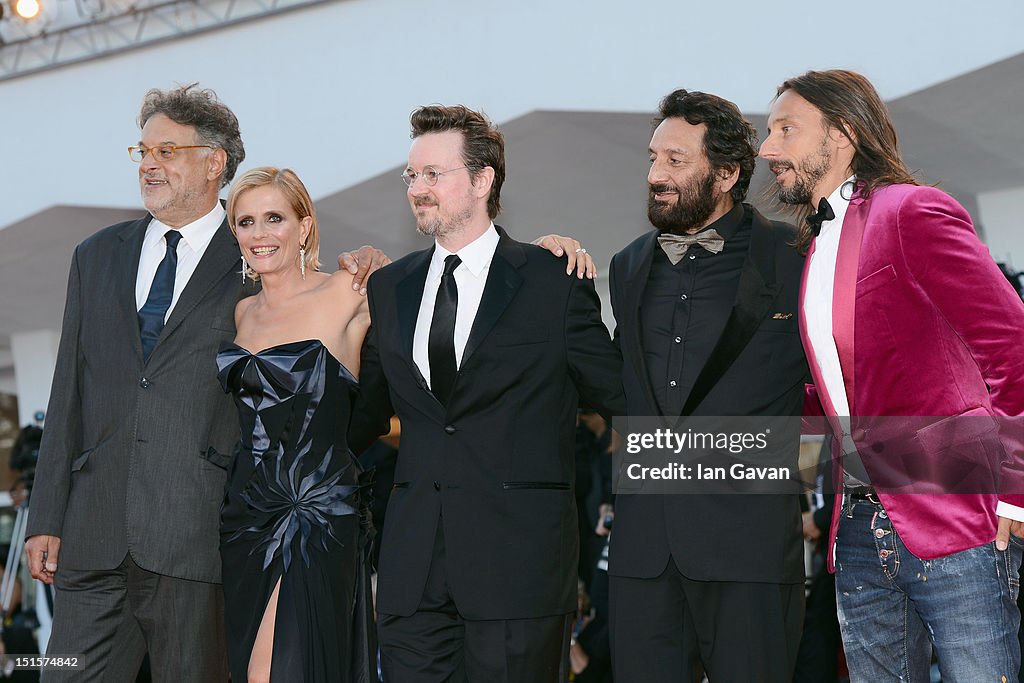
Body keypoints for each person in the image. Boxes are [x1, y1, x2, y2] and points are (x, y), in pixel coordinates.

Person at [22, 84, 386, 682]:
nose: (149, 165)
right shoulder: (95, 255)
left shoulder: (254, 257)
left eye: (167, 151)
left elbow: (340, 365)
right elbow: (68, 394)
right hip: (92, 533)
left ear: (214, 161)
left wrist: (374, 260)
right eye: (142, 152)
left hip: (199, 537)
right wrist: (46, 515)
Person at [760, 68, 1024, 682]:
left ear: (844, 133)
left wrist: (1015, 489)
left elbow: (1011, 348)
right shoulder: (814, 247)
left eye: (786, 130)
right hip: (855, 524)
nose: (768, 149)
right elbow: (836, 391)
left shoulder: (911, 211)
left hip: (956, 507)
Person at [348, 104, 626, 682]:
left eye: (433, 174)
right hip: (414, 573)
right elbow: (361, 417)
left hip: (518, 573)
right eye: (411, 176)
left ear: (482, 180)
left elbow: (623, 394)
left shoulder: (551, 280)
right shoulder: (390, 287)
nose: (417, 189)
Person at [605, 89, 807, 681]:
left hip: (750, 546)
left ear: (725, 174)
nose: (654, 175)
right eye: (652, 159)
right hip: (644, 552)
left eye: (674, 161)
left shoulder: (793, 259)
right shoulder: (628, 265)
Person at [217, 166, 375, 682]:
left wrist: (548, 250)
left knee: (284, 669)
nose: (259, 234)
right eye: (245, 222)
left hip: (316, 511)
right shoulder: (242, 313)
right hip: (245, 514)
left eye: (273, 219)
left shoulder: (347, 292)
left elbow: (446, 285)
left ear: (303, 226)